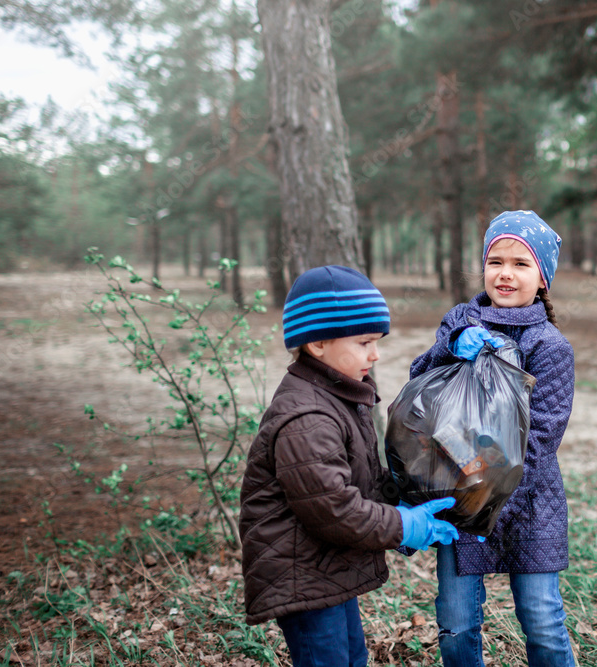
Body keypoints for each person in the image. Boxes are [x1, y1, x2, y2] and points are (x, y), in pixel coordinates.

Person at [239, 265, 459, 667]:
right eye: (363, 342)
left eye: (375, 342)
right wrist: (401, 526)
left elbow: (355, 480)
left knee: (352, 657)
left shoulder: (336, 396)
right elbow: (333, 508)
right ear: (318, 343)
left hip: (324, 566)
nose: (374, 354)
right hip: (300, 573)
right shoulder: (307, 416)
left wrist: (402, 502)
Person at [410, 211, 577, 666]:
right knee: (457, 622)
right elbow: (418, 386)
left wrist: (487, 493)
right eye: (496, 261)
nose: (505, 273)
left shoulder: (550, 347)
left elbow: (541, 439)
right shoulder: (459, 319)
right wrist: (450, 346)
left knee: (542, 619)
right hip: (458, 496)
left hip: (528, 502)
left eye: (521, 264)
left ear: (543, 278)